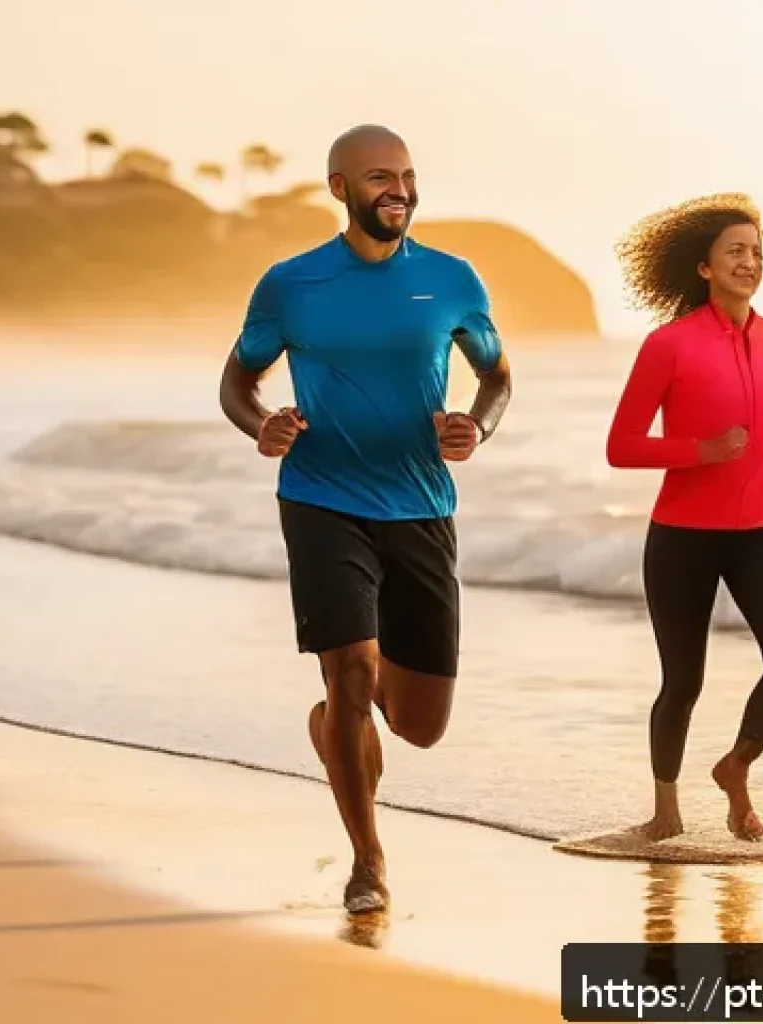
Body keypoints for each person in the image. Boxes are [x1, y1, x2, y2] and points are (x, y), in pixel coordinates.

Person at [218, 125, 512, 913]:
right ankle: (368, 860)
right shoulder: (292, 284)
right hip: (321, 498)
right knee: (349, 669)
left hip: (421, 505)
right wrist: (262, 426)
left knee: (420, 725)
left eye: (409, 177)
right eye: (381, 176)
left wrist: (475, 426)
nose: (401, 190)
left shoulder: (453, 279)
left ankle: (335, 727)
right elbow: (237, 380)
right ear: (340, 188)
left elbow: (498, 378)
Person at [606, 193, 763, 843]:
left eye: (757, 252)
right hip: (682, 538)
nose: (749, 262)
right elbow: (622, 446)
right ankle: (664, 810)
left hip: (758, 534)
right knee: (683, 681)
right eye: (735, 251)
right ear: (703, 267)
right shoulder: (669, 345)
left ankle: (736, 767)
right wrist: (700, 451)